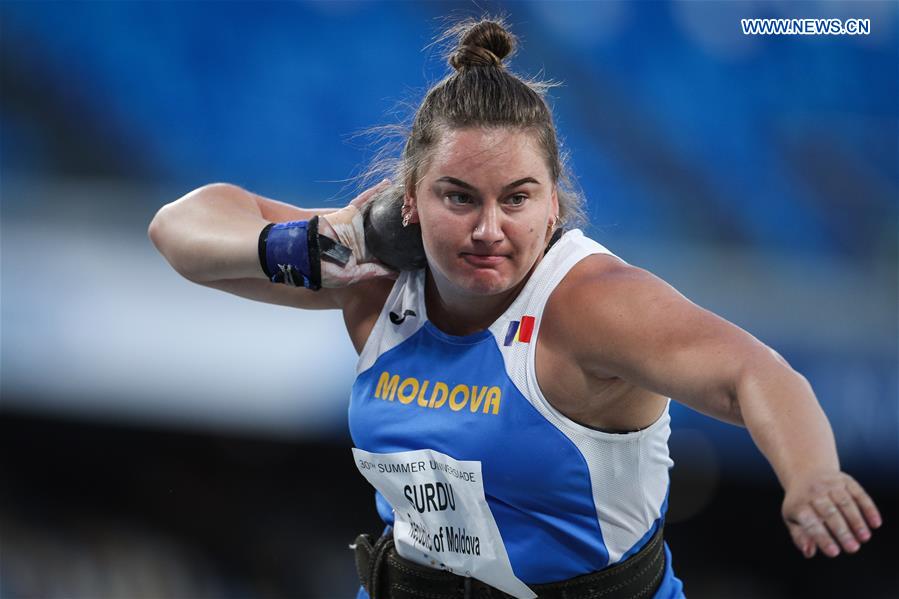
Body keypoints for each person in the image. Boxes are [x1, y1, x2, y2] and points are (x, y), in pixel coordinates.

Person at [148, 18, 881, 599]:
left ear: (552, 201)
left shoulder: (591, 306)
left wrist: (810, 473)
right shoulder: (371, 278)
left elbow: (755, 374)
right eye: (458, 197)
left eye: (517, 198)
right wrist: (324, 241)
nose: (488, 229)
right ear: (410, 201)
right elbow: (181, 229)